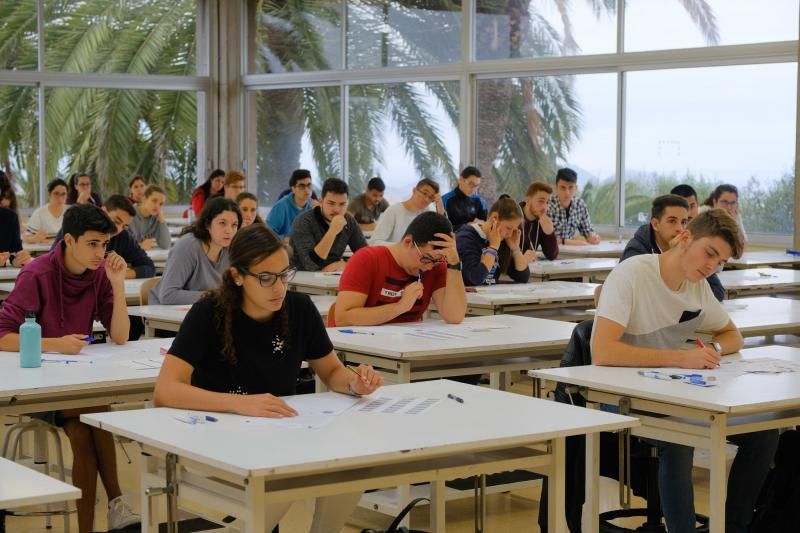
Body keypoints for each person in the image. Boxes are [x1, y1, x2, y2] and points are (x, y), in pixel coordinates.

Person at [154, 223, 382, 532]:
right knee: (281, 478)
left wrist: (354, 383)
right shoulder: (209, 313)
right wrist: (240, 403)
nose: (278, 288)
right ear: (237, 276)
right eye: (265, 278)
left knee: (351, 463)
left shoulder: (299, 309)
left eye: (284, 275)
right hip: (218, 435)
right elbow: (165, 391)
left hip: (281, 431)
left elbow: (330, 371)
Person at [592, 209, 778, 533]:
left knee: (764, 433)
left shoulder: (698, 287)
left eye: (720, 262)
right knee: (678, 439)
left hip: (673, 391)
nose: (711, 266)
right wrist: (678, 359)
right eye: (709, 253)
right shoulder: (632, 275)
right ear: (685, 237)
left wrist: (711, 351)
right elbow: (602, 351)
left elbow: (733, 336)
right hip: (619, 395)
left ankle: (733, 526)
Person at [0, 204, 138, 533]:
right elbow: (2, 336)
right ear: (69, 240)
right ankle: (117, 503)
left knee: (82, 430)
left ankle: (89, 527)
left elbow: (120, 336)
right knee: (97, 413)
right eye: (92, 244)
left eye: (104, 245)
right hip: (37, 389)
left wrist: (117, 284)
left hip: (76, 385)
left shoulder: (100, 273)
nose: (99, 253)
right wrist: (54, 343)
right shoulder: (38, 274)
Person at [334, 211, 466, 326]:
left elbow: (454, 317)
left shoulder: (436, 265)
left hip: (408, 346)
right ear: (408, 242)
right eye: (426, 258)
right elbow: (342, 318)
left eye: (438, 261)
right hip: (362, 346)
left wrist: (454, 263)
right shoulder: (367, 259)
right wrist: (400, 307)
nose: (430, 266)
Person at [150, 197, 241, 305]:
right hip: (163, 313)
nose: (229, 231)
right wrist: (215, 296)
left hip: (203, 310)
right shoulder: (188, 246)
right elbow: (168, 296)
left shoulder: (230, 249)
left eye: (234, 225)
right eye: (222, 223)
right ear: (207, 224)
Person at [54, 195, 155, 279]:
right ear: (103, 210)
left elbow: (149, 267)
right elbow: (53, 262)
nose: (118, 229)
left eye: (124, 226)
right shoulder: (76, 226)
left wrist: (120, 274)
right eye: (116, 221)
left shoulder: (123, 236)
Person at [290, 178, 367, 272]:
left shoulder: (349, 221)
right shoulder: (303, 221)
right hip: (301, 278)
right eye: (331, 203)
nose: (337, 210)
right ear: (321, 202)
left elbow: (366, 256)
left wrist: (345, 264)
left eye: (342, 204)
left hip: (332, 274)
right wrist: (332, 231)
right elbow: (311, 265)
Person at [456, 195, 530, 286]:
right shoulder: (466, 237)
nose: (510, 234)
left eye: (514, 230)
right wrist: (493, 247)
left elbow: (523, 277)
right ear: (494, 218)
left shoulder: (502, 240)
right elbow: (475, 278)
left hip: (490, 297)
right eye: (508, 228)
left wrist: (515, 249)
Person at [371, 178, 445, 244]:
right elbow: (374, 242)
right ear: (414, 190)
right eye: (424, 193)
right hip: (394, 256)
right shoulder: (394, 211)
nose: (426, 199)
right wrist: (400, 248)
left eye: (431, 197)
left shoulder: (430, 212)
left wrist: (440, 208)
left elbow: (442, 236)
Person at [621, 194, 690, 259]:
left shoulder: (687, 247)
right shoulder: (635, 252)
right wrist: (672, 254)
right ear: (655, 224)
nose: (680, 229)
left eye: (683, 222)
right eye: (672, 221)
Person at [546, 167, 600, 245]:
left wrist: (593, 237)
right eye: (563, 188)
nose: (567, 193)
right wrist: (568, 242)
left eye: (570, 187)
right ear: (556, 188)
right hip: (549, 253)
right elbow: (545, 239)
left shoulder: (580, 205)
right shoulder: (548, 205)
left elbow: (588, 231)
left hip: (571, 253)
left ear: (576, 188)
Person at [267, 169, 315, 240]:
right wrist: (284, 239)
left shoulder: (314, 206)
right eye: (302, 186)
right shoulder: (281, 206)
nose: (306, 189)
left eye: (309, 185)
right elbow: (267, 233)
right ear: (293, 189)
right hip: (285, 248)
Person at [520, 181, 558, 261]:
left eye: (547, 202)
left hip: (530, 270)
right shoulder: (512, 216)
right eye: (541, 201)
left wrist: (550, 233)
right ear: (527, 199)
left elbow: (552, 256)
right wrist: (521, 259)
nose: (545, 207)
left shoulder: (542, 221)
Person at [441, 166, 488, 231]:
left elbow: (487, 224)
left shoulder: (479, 201)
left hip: (475, 239)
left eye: (476, 186)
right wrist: (467, 226)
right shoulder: (445, 200)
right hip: (453, 239)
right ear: (460, 180)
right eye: (471, 184)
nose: (473, 189)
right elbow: (441, 228)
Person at [24, 178, 68, 244]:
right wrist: (35, 238)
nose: (60, 198)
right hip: (44, 252)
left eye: (63, 194)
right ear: (49, 194)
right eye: (56, 193)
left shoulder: (70, 212)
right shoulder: (40, 213)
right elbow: (26, 238)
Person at [128, 184, 171, 250]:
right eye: (154, 201)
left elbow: (165, 245)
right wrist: (140, 246)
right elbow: (120, 246)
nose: (157, 206)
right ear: (144, 199)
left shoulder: (156, 218)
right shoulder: (129, 214)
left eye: (161, 204)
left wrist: (162, 219)